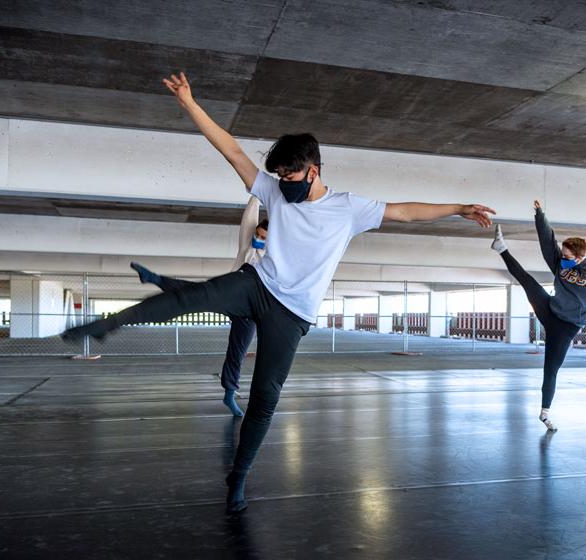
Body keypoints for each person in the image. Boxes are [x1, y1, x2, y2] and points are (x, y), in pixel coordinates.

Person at [62, 71, 495, 514]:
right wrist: (189, 103)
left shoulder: (349, 208)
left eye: (290, 175)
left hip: (293, 313)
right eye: (279, 175)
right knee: (192, 298)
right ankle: (104, 326)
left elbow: (405, 212)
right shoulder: (272, 190)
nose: (283, 182)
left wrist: (457, 207)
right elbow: (230, 149)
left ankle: (239, 477)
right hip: (257, 284)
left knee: (265, 397)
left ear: (314, 170)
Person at [491, 200, 586, 431]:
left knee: (550, 369)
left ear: (579, 257)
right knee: (527, 281)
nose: (562, 258)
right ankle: (501, 247)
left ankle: (544, 413)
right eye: (562, 254)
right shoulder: (562, 265)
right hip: (550, 309)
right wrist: (540, 215)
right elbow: (547, 242)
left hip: (566, 328)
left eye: (566, 255)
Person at [129, 199, 269, 417]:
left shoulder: (273, 258)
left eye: (263, 238)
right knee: (195, 293)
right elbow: (248, 220)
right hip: (230, 295)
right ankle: (153, 278)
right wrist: (258, 195)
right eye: (257, 234)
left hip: (250, 311)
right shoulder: (246, 248)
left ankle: (229, 394)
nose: (257, 239)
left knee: (237, 352)